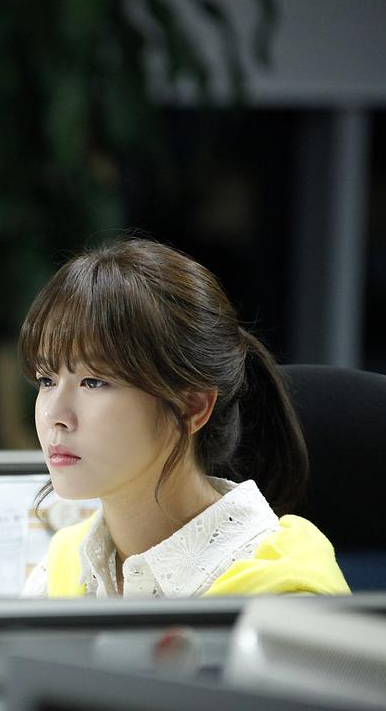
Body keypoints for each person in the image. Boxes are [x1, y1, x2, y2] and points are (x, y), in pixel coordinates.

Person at [19, 238, 350, 598]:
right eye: (46, 380)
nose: (55, 415)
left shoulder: (281, 596)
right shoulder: (64, 568)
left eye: (93, 382)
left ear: (192, 407)